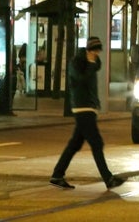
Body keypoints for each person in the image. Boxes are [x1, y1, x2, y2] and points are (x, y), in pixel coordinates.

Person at [49, 36, 125, 190]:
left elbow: (93, 74)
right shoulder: (77, 63)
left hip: (89, 107)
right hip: (82, 107)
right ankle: (108, 178)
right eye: (95, 51)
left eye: (98, 51)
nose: (97, 54)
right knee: (97, 143)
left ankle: (57, 174)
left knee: (75, 144)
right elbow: (81, 79)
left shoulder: (92, 64)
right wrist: (90, 63)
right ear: (89, 50)